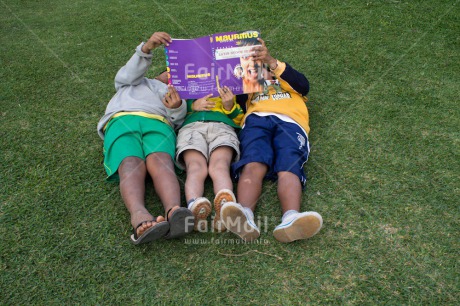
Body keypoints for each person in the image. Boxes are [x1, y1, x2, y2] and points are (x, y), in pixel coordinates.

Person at [221, 38, 323, 243]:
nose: (257, 70)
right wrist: (230, 105)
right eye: (250, 68)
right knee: (253, 162)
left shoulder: (287, 80)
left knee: (289, 165)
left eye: (261, 65)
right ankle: (244, 214)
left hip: (291, 123)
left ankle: (291, 217)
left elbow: (304, 85)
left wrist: (272, 61)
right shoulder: (248, 91)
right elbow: (240, 116)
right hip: (256, 121)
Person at [96, 32, 194, 245]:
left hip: (158, 122)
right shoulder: (131, 82)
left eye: (175, 75)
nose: (171, 76)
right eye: (168, 71)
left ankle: (174, 210)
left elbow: (178, 121)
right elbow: (131, 71)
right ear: (158, 73)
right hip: (123, 119)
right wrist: (147, 48)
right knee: (130, 161)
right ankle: (139, 214)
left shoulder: (175, 93)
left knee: (161, 159)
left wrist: (177, 107)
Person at [175, 86, 244, 232]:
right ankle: (193, 206)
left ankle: (225, 208)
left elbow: (240, 119)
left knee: (219, 166)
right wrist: (192, 106)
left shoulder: (232, 87)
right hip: (192, 127)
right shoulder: (185, 85)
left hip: (223, 127)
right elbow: (174, 113)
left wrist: (229, 106)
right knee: (195, 167)